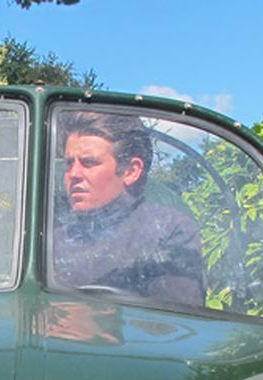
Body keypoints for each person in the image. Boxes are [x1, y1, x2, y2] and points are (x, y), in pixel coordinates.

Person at [50, 111, 206, 308]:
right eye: (69, 163)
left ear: (131, 171)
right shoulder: (53, 237)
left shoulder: (168, 231)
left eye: (89, 163)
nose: (73, 174)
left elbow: (176, 326)